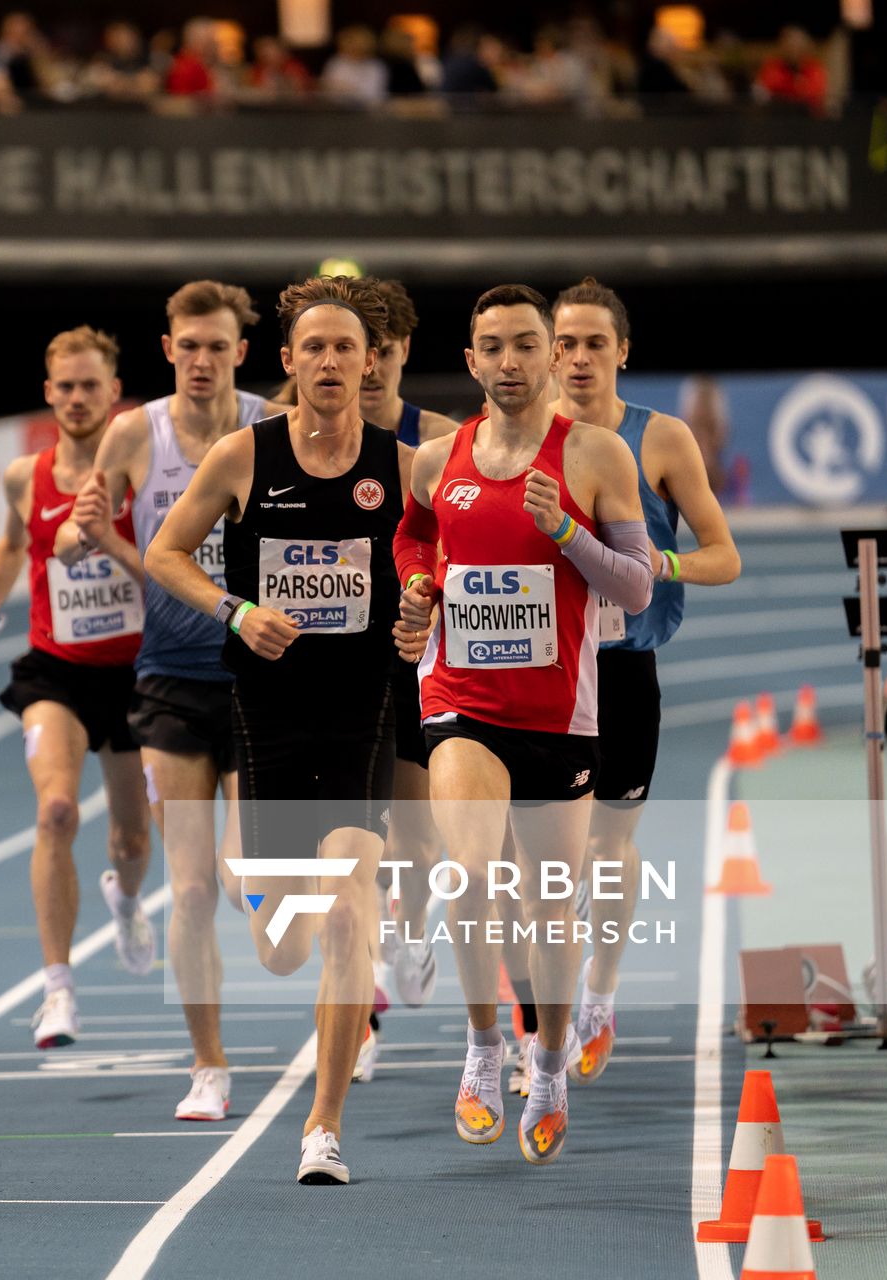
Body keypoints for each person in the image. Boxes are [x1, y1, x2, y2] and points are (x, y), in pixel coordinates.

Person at [147, 276, 409, 1184]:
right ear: (288, 362)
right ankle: (250, 875)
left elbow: (448, 553)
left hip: (362, 713)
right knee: (282, 946)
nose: (331, 362)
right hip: (267, 718)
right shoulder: (241, 457)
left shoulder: (401, 464)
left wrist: (422, 605)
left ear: (369, 363)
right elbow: (163, 553)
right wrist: (235, 610)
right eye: (316, 348)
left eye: (348, 348)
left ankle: (322, 1126)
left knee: (347, 910)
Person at [393, 284, 651, 1165]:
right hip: (461, 702)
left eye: (524, 347)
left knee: (548, 906)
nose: (509, 363)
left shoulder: (597, 455)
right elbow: (413, 538)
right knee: (468, 874)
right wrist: (420, 586)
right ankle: (480, 1049)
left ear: (550, 358)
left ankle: (548, 1065)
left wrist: (568, 534)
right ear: (470, 361)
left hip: (563, 716)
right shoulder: (436, 459)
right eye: (491, 348)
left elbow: (637, 586)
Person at [75, 281, 288, 1123]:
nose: (202, 361)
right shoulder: (135, 434)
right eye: (188, 346)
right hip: (168, 677)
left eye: (218, 346)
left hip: (255, 677)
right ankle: (209, 1064)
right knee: (192, 889)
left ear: (242, 350)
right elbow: (96, 539)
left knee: (247, 884)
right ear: (168, 350)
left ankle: (352, 965)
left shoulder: (269, 426)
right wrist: (97, 538)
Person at [0, 328, 156, 1049]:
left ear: (113, 393)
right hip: (55, 671)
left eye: (89, 386)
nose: (76, 398)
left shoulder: (138, 470)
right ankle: (57, 990)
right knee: (56, 810)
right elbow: (11, 544)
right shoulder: (23, 477)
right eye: (64, 386)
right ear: (47, 392)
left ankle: (124, 902)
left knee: (130, 836)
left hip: (133, 672)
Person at [548, 279, 739, 1084]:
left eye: (597, 342)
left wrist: (654, 563)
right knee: (541, 862)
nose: (581, 357)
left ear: (623, 351)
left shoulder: (662, 440)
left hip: (625, 669)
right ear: (546, 352)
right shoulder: (520, 439)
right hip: (540, 676)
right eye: (567, 343)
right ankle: (538, 1032)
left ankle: (599, 992)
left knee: (609, 848)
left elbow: (723, 556)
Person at [358, 279, 461, 1019]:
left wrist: (426, 596)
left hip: (411, 657)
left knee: (418, 843)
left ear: (401, 354)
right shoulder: (294, 433)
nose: (368, 369)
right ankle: (358, 1001)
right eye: (358, 351)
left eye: (383, 352)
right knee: (351, 847)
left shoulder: (440, 443)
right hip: (330, 663)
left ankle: (413, 931)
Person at [755, 26, 828, 115]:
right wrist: (795, 88)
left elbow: (814, 98)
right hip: (776, 118)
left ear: (805, 48)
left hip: (807, 120)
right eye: (789, 46)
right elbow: (762, 92)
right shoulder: (772, 66)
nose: (793, 51)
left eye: (797, 47)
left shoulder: (815, 70)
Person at [320, 27, 386, 107]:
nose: (352, 48)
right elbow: (327, 88)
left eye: (356, 45)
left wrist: (347, 89)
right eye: (349, 43)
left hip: (367, 111)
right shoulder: (337, 62)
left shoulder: (375, 66)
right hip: (336, 109)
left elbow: (372, 95)